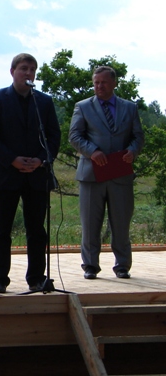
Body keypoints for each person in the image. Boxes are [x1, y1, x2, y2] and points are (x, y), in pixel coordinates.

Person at [0, 53, 61, 293]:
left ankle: (36, 278)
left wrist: (41, 159)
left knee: (37, 230)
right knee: (1, 229)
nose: (28, 73)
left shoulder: (43, 102)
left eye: (32, 69)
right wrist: (12, 160)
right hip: (6, 174)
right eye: (24, 68)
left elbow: (54, 136)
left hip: (36, 175)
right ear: (12, 71)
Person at [68, 66, 144, 280]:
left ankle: (122, 266)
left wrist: (132, 151)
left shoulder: (129, 108)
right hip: (92, 174)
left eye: (103, 82)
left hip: (120, 173)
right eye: (96, 83)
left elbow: (138, 136)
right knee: (90, 223)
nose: (99, 86)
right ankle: (90, 265)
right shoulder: (83, 107)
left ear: (114, 83)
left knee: (121, 222)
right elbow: (74, 136)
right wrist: (92, 151)